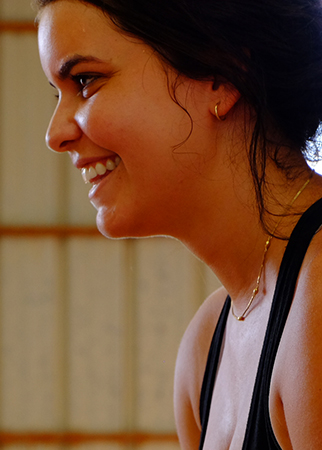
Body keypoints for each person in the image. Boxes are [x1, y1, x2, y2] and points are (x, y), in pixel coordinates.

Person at [35, 0, 322, 448]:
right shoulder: (206, 346)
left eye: (86, 82)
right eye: (57, 94)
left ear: (221, 75)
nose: (55, 134)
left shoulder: (317, 299)